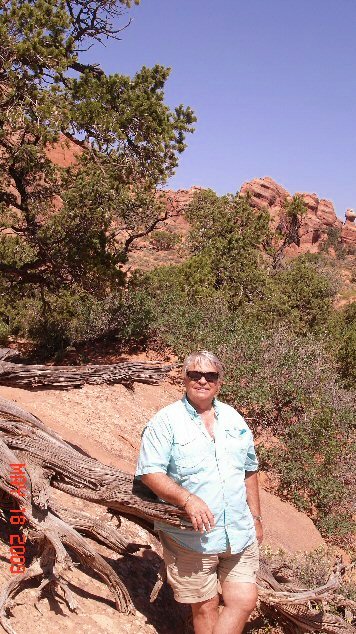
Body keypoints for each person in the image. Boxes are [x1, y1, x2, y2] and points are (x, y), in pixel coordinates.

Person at [135, 350, 262, 634]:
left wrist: (256, 517)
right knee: (205, 607)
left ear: (220, 381)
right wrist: (187, 499)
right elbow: (149, 472)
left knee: (244, 599)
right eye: (195, 374)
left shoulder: (234, 419)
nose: (202, 380)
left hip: (238, 532)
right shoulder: (166, 421)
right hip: (191, 536)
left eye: (210, 375)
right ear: (184, 378)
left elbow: (250, 469)